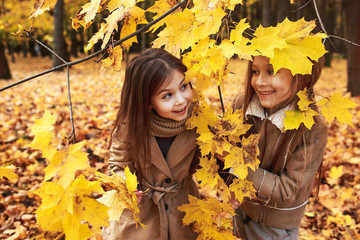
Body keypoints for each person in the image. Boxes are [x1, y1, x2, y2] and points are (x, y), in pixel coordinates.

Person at [102, 48, 200, 240]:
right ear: (147, 102)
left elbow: (215, 163)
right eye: (167, 96)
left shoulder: (199, 122)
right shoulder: (130, 127)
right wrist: (126, 184)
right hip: (141, 216)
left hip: (183, 210)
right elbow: (117, 167)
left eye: (184, 86)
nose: (181, 100)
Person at [232, 55, 328, 240]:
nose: (259, 82)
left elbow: (287, 191)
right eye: (255, 71)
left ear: (300, 74)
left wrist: (239, 166)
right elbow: (224, 161)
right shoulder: (242, 106)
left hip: (276, 228)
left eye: (271, 71)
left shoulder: (311, 128)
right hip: (241, 211)